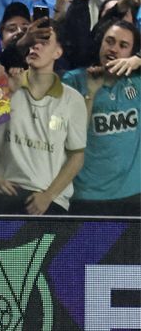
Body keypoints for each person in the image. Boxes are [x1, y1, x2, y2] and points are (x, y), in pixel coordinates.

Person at [0, 22, 87, 215]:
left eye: (44, 41)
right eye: (32, 40)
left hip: (50, 200)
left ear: (58, 52)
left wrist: (48, 195)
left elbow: (76, 156)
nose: (35, 46)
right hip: (5, 194)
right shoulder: (3, 85)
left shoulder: (73, 99)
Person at [62, 20, 140, 216]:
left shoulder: (137, 83)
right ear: (100, 43)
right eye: (110, 41)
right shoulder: (73, 80)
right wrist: (90, 93)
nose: (113, 49)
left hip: (132, 194)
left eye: (123, 46)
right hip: (87, 195)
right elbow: (71, 137)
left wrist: (138, 59)